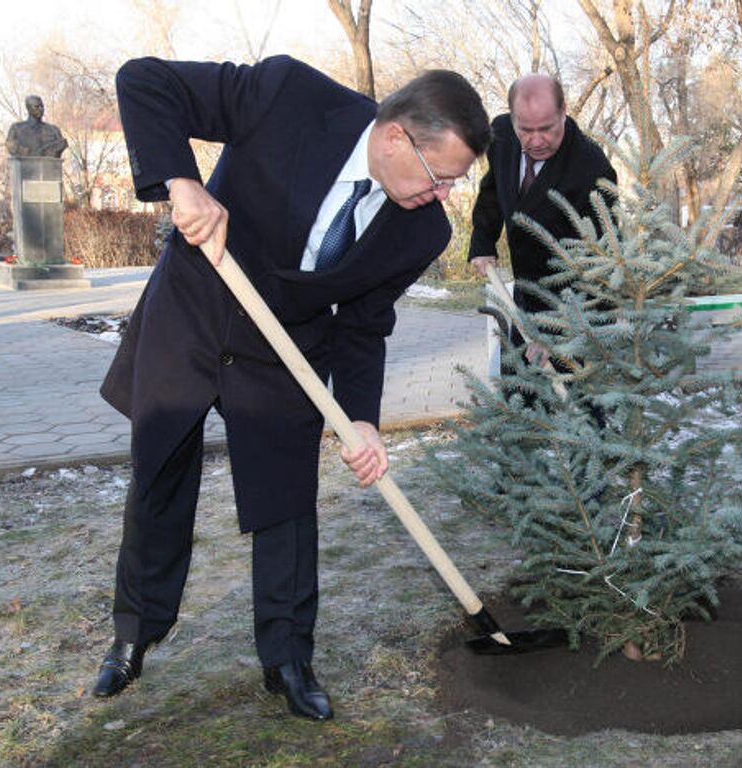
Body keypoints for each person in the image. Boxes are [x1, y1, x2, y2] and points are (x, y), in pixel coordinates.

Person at [91, 55, 491, 721]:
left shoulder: (422, 229)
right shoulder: (289, 95)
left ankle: (287, 658)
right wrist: (182, 183)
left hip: (284, 352)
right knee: (159, 480)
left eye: (456, 182)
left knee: (285, 505)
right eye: (440, 176)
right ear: (396, 136)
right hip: (195, 311)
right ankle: (133, 635)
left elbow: (365, 328)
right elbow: (142, 78)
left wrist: (360, 420)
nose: (444, 194)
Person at [468, 73, 616, 366]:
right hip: (524, 298)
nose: (536, 141)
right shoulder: (500, 135)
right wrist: (483, 240)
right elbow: (493, 189)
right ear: (512, 119)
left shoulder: (591, 167)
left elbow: (601, 261)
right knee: (517, 396)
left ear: (563, 112)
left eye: (547, 129)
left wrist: (560, 336)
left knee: (574, 405)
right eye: (526, 129)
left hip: (573, 313)